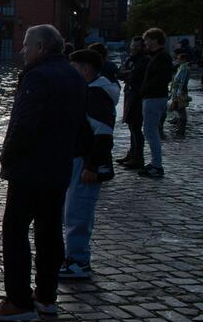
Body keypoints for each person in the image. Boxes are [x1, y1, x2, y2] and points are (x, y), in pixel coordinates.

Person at [0, 25, 87, 322]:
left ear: (41, 47)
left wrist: (7, 157)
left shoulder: (37, 76)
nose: (22, 50)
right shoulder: (74, 76)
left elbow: (24, 125)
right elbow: (81, 125)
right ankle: (45, 296)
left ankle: (18, 301)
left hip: (30, 169)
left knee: (15, 232)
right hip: (59, 168)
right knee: (49, 232)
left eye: (26, 45)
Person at [61, 50, 119, 280]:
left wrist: (93, 165)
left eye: (73, 67)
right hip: (81, 158)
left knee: (78, 211)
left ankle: (79, 261)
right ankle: (75, 257)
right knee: (74, 210)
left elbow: (103, 132)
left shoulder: (94, 94)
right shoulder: (94, 91)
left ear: (85, 69)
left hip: (85, 161)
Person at [138, 28, 173, 178]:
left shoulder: (162, 57)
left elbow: (161, 78)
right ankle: (155, 163)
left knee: (151, 132)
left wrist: (146, 89)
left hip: (154, 97)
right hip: (153, 96)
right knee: (151, 131)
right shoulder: (158, 56)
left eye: (147, 39)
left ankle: (157, 166)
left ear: (154, 40)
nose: (145, 42)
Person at [117, 37, 150, 169]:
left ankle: (138, 157)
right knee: (131, 126)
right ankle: (132, 153)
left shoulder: (144, 60)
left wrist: (128, 74)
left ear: (142, 47)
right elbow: (119, 73)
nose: (134, 48)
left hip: (138, 95)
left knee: (136, 127)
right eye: (133, 45)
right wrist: (127, 73)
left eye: (137, 46)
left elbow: (134, 75)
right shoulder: (130, 59)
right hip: (129, 94)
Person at [170, 51, 192, 136]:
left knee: (181, 109)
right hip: (178, 90)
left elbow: (182, 81)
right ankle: (178, 124)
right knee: (178, 108)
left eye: (178, 59)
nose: (177, 60)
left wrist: (179, 92)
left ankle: (181, 128)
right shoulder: (181, 67)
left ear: (184, 59)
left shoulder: (184, 68)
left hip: (180, 91)